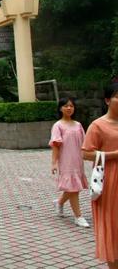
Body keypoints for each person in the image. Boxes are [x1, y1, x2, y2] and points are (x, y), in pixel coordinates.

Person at [82, 82, 118, 268]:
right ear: (107, 100)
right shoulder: (98, 125)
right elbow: (86, 153)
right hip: (110, 181)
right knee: (113, 226)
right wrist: (114, 155)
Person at [49, 97, 89, 227]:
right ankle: (78, 216)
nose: (69, 108)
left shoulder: (78, 125)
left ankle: (59, 202)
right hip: (66, 161)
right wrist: (54, 163)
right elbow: (56, 145)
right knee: (74, 188)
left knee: (73, 187)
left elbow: (85, 143)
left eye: (71, 106)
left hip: (78, 161)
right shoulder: (58, 126)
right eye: (66, 106)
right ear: (60, 108)